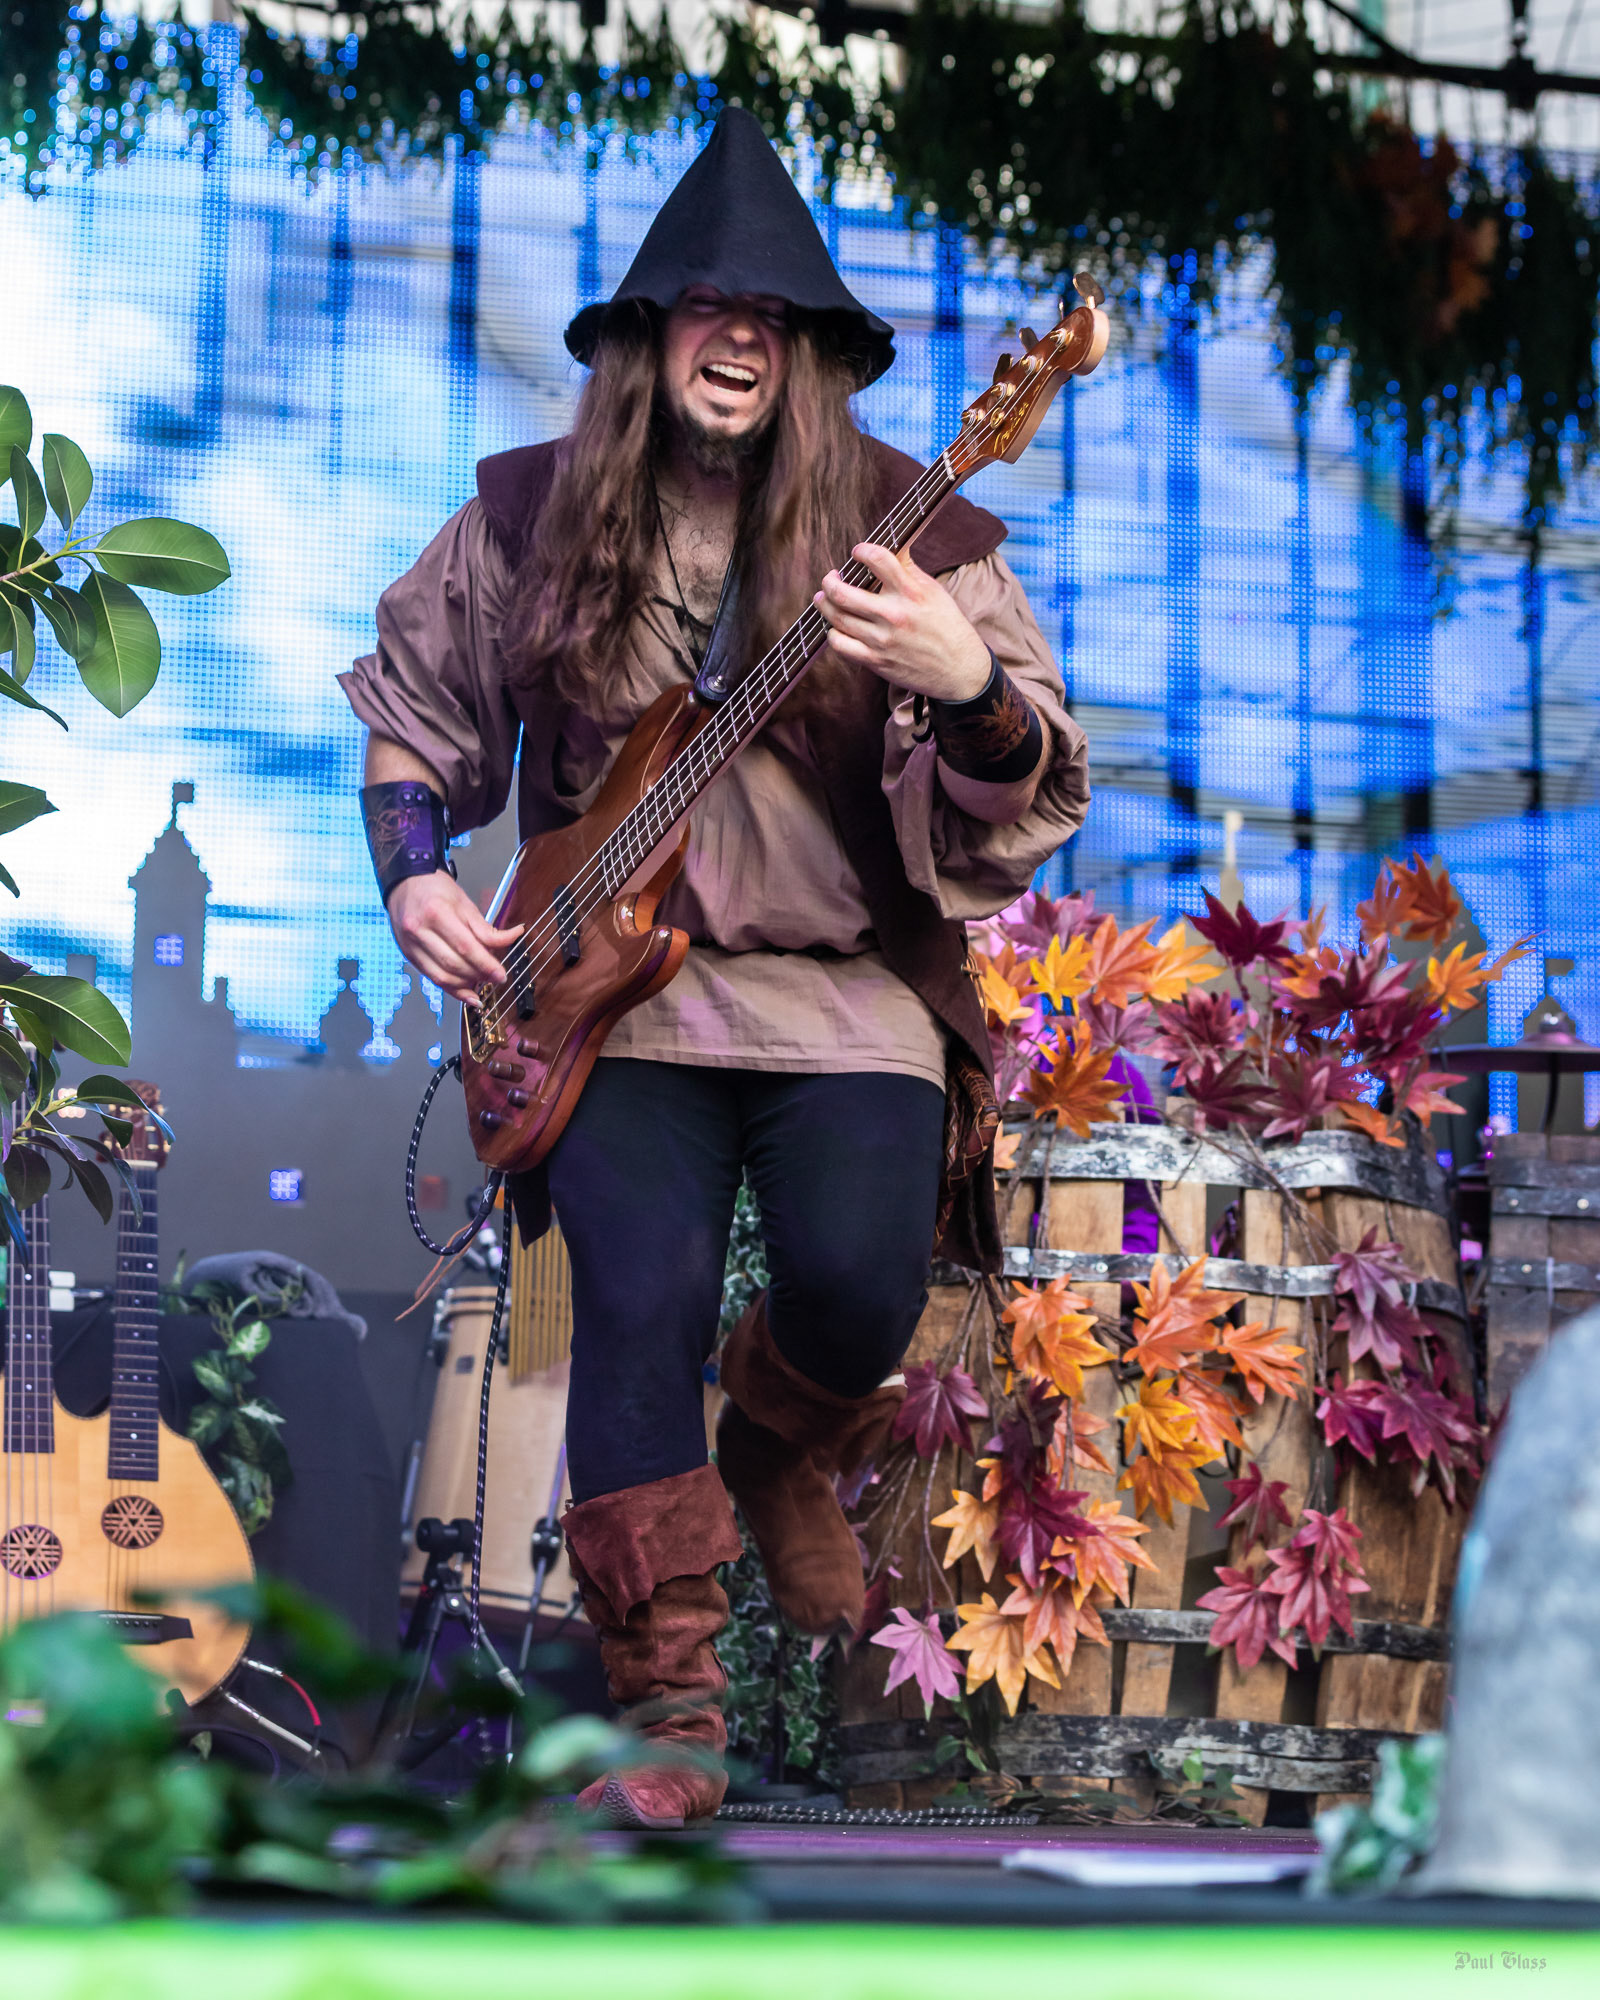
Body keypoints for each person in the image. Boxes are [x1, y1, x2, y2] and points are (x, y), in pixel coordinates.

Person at [342, 109, 1090, 1829]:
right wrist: (412, 878)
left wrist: (965, 682)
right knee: (640, 1303)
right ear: (648, 336)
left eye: (775, 318)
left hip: (846, 991)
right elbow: (414, 712)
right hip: (618, 1006)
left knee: (856, 1284)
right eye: (706, 308)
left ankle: (769, 1438)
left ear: (814, 356)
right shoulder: (529, 516)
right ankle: (668, 1713)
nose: (738, 338)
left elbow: (1030, 783)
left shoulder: (920, 533)